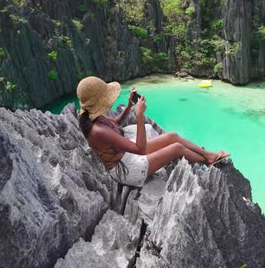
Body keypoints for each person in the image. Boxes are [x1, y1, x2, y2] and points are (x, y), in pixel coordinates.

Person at [76, 76, 230, 187]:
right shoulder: (98, 130)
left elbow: (116, 123)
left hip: (126, 156)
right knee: (176, 148)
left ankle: (208, 155)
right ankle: (208, 159)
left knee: (172, 136)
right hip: (127, 170)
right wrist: (139, 116)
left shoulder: (92, 117)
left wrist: (129, 107)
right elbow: (140, 149)